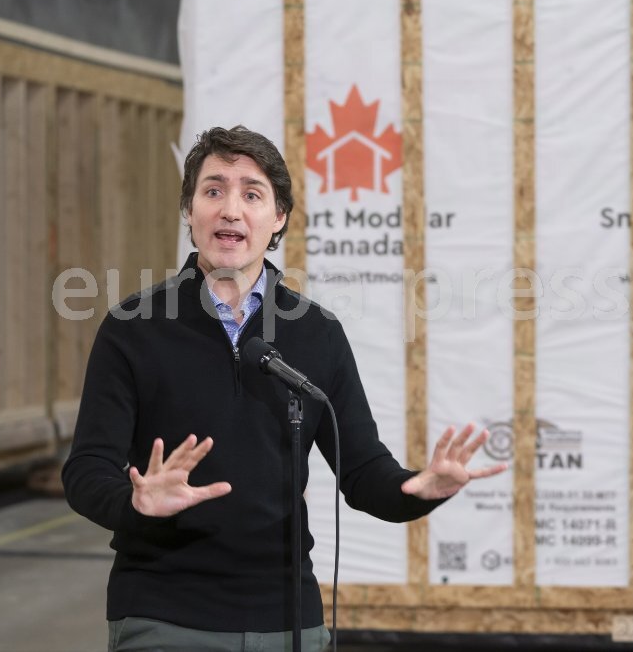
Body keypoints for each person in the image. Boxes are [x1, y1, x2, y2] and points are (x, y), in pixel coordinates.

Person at [62, 125, 507, 651]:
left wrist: (419, 490)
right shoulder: (132, 327)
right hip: (164, 612)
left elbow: (363, 473)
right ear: (189, 211)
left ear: (278, 219)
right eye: (213, 190)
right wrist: (135, 504)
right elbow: (86, 472)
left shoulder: (315, 332)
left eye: (251, 194)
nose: (231, 209)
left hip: (287, 618)